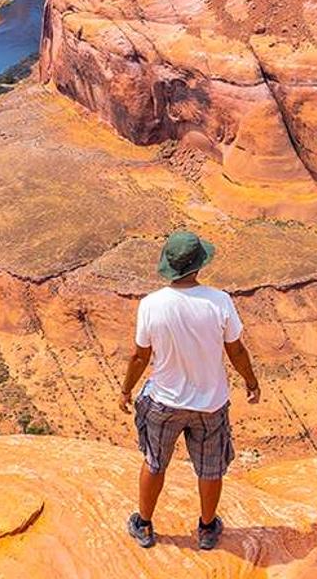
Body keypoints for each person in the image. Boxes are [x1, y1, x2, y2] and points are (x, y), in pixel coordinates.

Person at [119, 229, 260, 551]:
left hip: (164, 402)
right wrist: (251, 382)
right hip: (210, 403)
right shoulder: (219, 301)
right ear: (199, 266)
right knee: (210, 468)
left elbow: (139, 355)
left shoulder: (151, 304)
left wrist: (126, 389)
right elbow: (235, 350)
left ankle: (143, 524)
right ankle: (208, 528)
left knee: (155, 462)